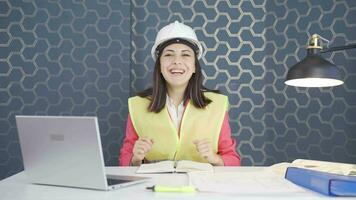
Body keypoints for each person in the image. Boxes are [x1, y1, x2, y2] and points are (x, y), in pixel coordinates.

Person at [119, 21, 240, 166]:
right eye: (169, 55)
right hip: (156, 185)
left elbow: (233, 160)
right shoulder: (138, 105)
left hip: (201, 186)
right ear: (160, 66)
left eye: (185, 55)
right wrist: (135, 158)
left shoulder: (217, 105)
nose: (177, 61)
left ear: (195, 66)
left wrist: (215, 158)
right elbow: (124, 160)